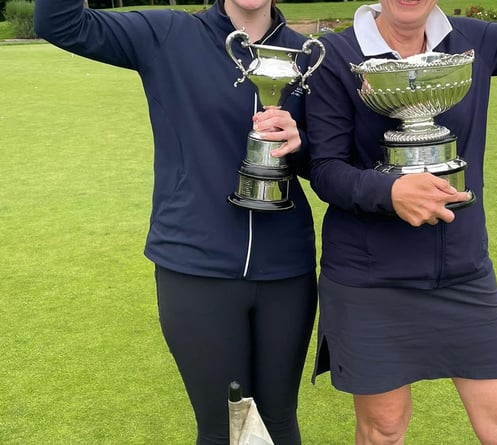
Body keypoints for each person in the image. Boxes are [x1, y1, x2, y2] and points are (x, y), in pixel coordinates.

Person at [305, 0, 497, 444]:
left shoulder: (472, 41)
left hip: (463, 273)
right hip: (370, 279)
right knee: (383, 429)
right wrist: (389, 192)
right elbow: (325, 168)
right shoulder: (335, 55)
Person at [33, 1, 318, 444]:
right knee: (223, 428)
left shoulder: (306, 54)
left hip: (288, 269)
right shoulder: (168, 34)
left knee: (278, 421)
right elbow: (60, 22)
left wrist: (299, 144)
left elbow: (328, 162)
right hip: (195, 266)